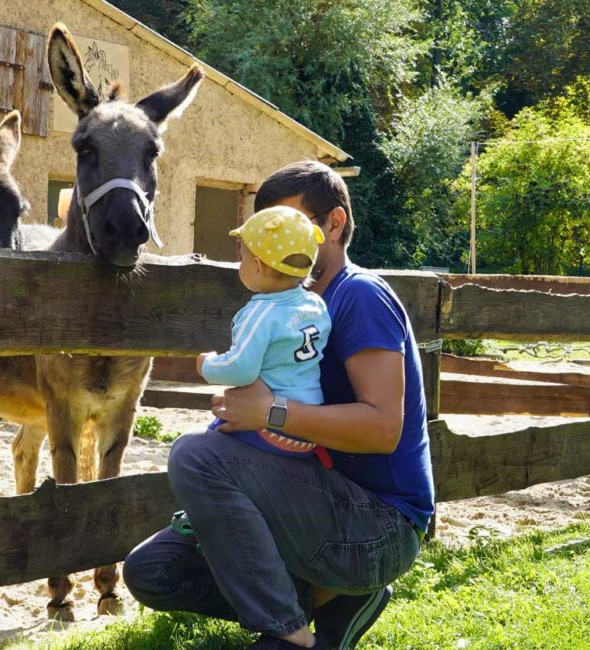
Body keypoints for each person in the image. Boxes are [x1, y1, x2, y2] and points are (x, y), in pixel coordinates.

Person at [124, 161, 434, 650]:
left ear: (334, 224)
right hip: (315, 496)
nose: (274, 242)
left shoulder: (360, 296)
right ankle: (328, 602)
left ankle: (289, 635)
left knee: (194, 455)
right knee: (154, 571)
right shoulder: (288, 303)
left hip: (379, 525)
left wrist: (268, 413)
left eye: (289, 226)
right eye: (264, 230)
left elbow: (383, 429)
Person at [197, 205, 331, 458]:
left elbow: (241, 369)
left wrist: (207, 364)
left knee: (201, 449)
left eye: (243, 259)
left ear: (257, 265)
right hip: (306, 426)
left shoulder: (261, 313)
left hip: (268, 429)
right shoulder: (315, 304)